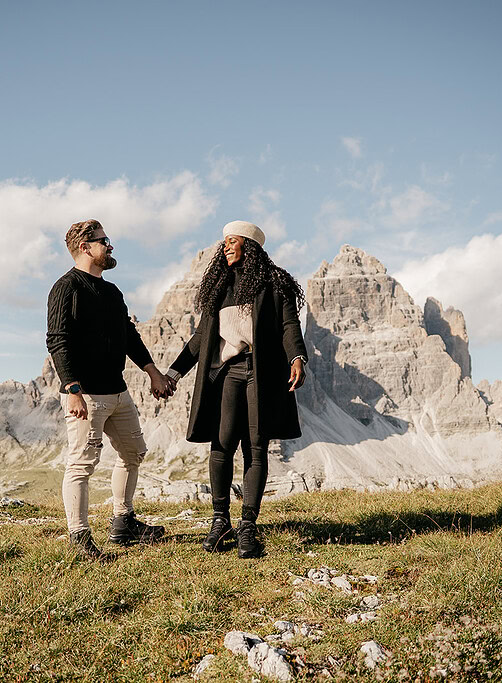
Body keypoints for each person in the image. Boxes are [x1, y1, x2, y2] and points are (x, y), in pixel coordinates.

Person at [166, 221, 307, 558]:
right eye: (224, 242)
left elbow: (289, 325)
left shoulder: (275, 284)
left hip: (262, 371)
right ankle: (220, 521)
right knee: (222, 442)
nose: (226, 247)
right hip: (228, 372)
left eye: (232, 242)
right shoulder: (218, 287)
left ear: (250, 246)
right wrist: (173, 372)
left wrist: (297, 357)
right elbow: (202, 337)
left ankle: (248, 527)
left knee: (256, 447)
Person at [46, 219, 174, 558]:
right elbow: (57, 340)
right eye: (104, 240)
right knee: (81, 464)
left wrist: (153, 372)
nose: (110, 245)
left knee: (134, 454)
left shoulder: (113, 292)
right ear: (86, 247)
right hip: (85, 395)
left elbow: (128, 336)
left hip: (118, 393)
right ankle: (80, 539)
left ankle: (123, 522)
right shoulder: (66, 288)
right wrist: (72, 389)